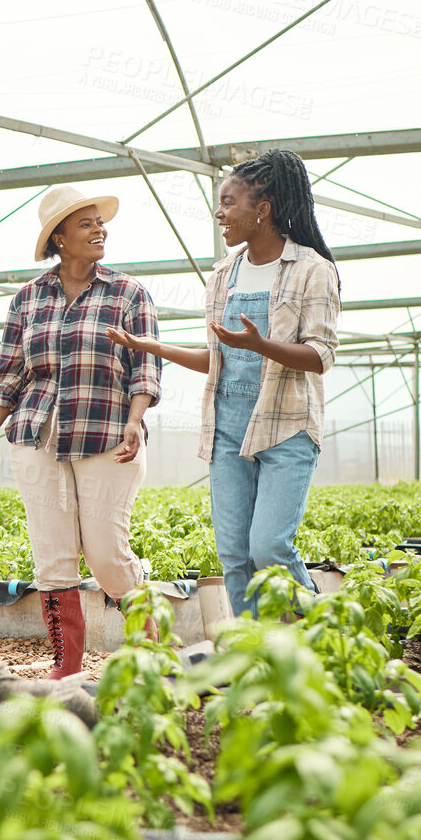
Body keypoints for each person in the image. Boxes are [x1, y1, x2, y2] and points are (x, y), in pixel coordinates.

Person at [108, 150, 339, 618]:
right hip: (227, 428)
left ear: (263, 208)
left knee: (269, 546)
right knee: (235, 557)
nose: (220, 213)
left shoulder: (313, 268)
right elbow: (216, 359)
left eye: (229, 202)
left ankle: (324, 641)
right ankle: (254, 654)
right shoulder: (222, 275)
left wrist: (261, 346)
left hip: (287, 426)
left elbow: (320, 356)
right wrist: (148, 345)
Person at [0, 185, 162, 678]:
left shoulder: (129, 293)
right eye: (86, 223)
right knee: (52, 553)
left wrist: (136, 419)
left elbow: (145, 367)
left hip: (108, 435)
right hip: (36, 434)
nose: (99, 229)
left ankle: (154, 653)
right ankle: (66, 668)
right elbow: (11, 373)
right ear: (60, 239)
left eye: (100, 222)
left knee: (107, 553)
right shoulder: (28, 299)